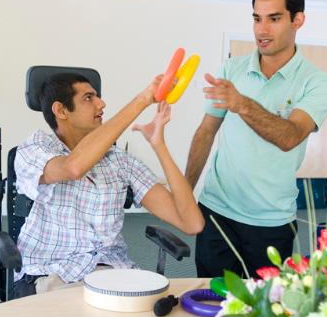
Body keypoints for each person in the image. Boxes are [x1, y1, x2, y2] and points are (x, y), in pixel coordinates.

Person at [185, 0, 327, 278]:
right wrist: (184, 191)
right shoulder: (232, 69)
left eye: (274, 19)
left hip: (272, 221)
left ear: (298, 20)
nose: (262, 30)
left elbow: (290, 136)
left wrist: (241, 103)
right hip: (217, 211)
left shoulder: (317, 82)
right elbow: (206, 131)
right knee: (211, 304)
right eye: (257, 19)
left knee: (266, 313)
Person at [12, 72, 204, 297]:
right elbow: (73, 168)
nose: (101, 104)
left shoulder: (119, 160)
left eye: (97, 97)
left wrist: (158, 145)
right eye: (88, 98)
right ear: (61, 110)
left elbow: (192, 223)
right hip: (54, 273)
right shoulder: (36, 147)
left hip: (113, 274)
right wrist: (142, 100)